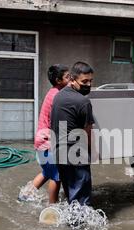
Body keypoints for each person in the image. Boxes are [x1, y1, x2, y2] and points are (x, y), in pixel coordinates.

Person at [18, 64, 70, 203]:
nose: (71, 79)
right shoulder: (58, 96)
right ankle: (52, 207)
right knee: (56, 177)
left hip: (42, 140)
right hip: (47, 142)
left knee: (48, 172)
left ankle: (25, 195)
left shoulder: (53, 92)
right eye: (67, 77)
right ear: (59, 81)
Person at [50, 61, 95, 206]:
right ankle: (78, 228)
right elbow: (88, 134)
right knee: (81, 203)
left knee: (72, 198)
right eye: (84, 81)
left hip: (59, 154)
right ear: (72, 79)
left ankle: (68, 226)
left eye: (90, 81)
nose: (88, 84)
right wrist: (91, 154)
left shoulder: (58, 96)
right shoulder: (83, 102)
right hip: (75, 156)